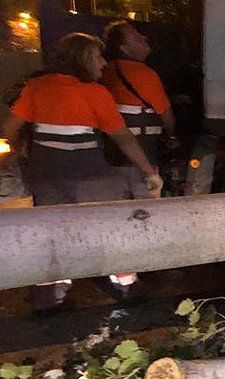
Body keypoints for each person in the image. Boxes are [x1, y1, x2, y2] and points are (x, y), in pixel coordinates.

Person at [0, 32, 162, 311]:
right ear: (84, 58)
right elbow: (122, 137)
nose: (103, 63)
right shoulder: (95, 93)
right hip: (90, 174)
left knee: (52, 231)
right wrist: (150, 172)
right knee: (109, 225)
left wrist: (22, 151)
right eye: (98, 56)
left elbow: (8, 128)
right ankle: (126, 285)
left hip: (46, 175)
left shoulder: (37, 87)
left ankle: (49, 295)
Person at [101, 20, 177, 166]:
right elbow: (167, 116)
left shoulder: (107, 70)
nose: (144, 38)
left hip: (112, 151)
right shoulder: (144, 74)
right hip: (142, 151)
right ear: (124, 48)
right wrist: (172, 137)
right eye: (136, 38)